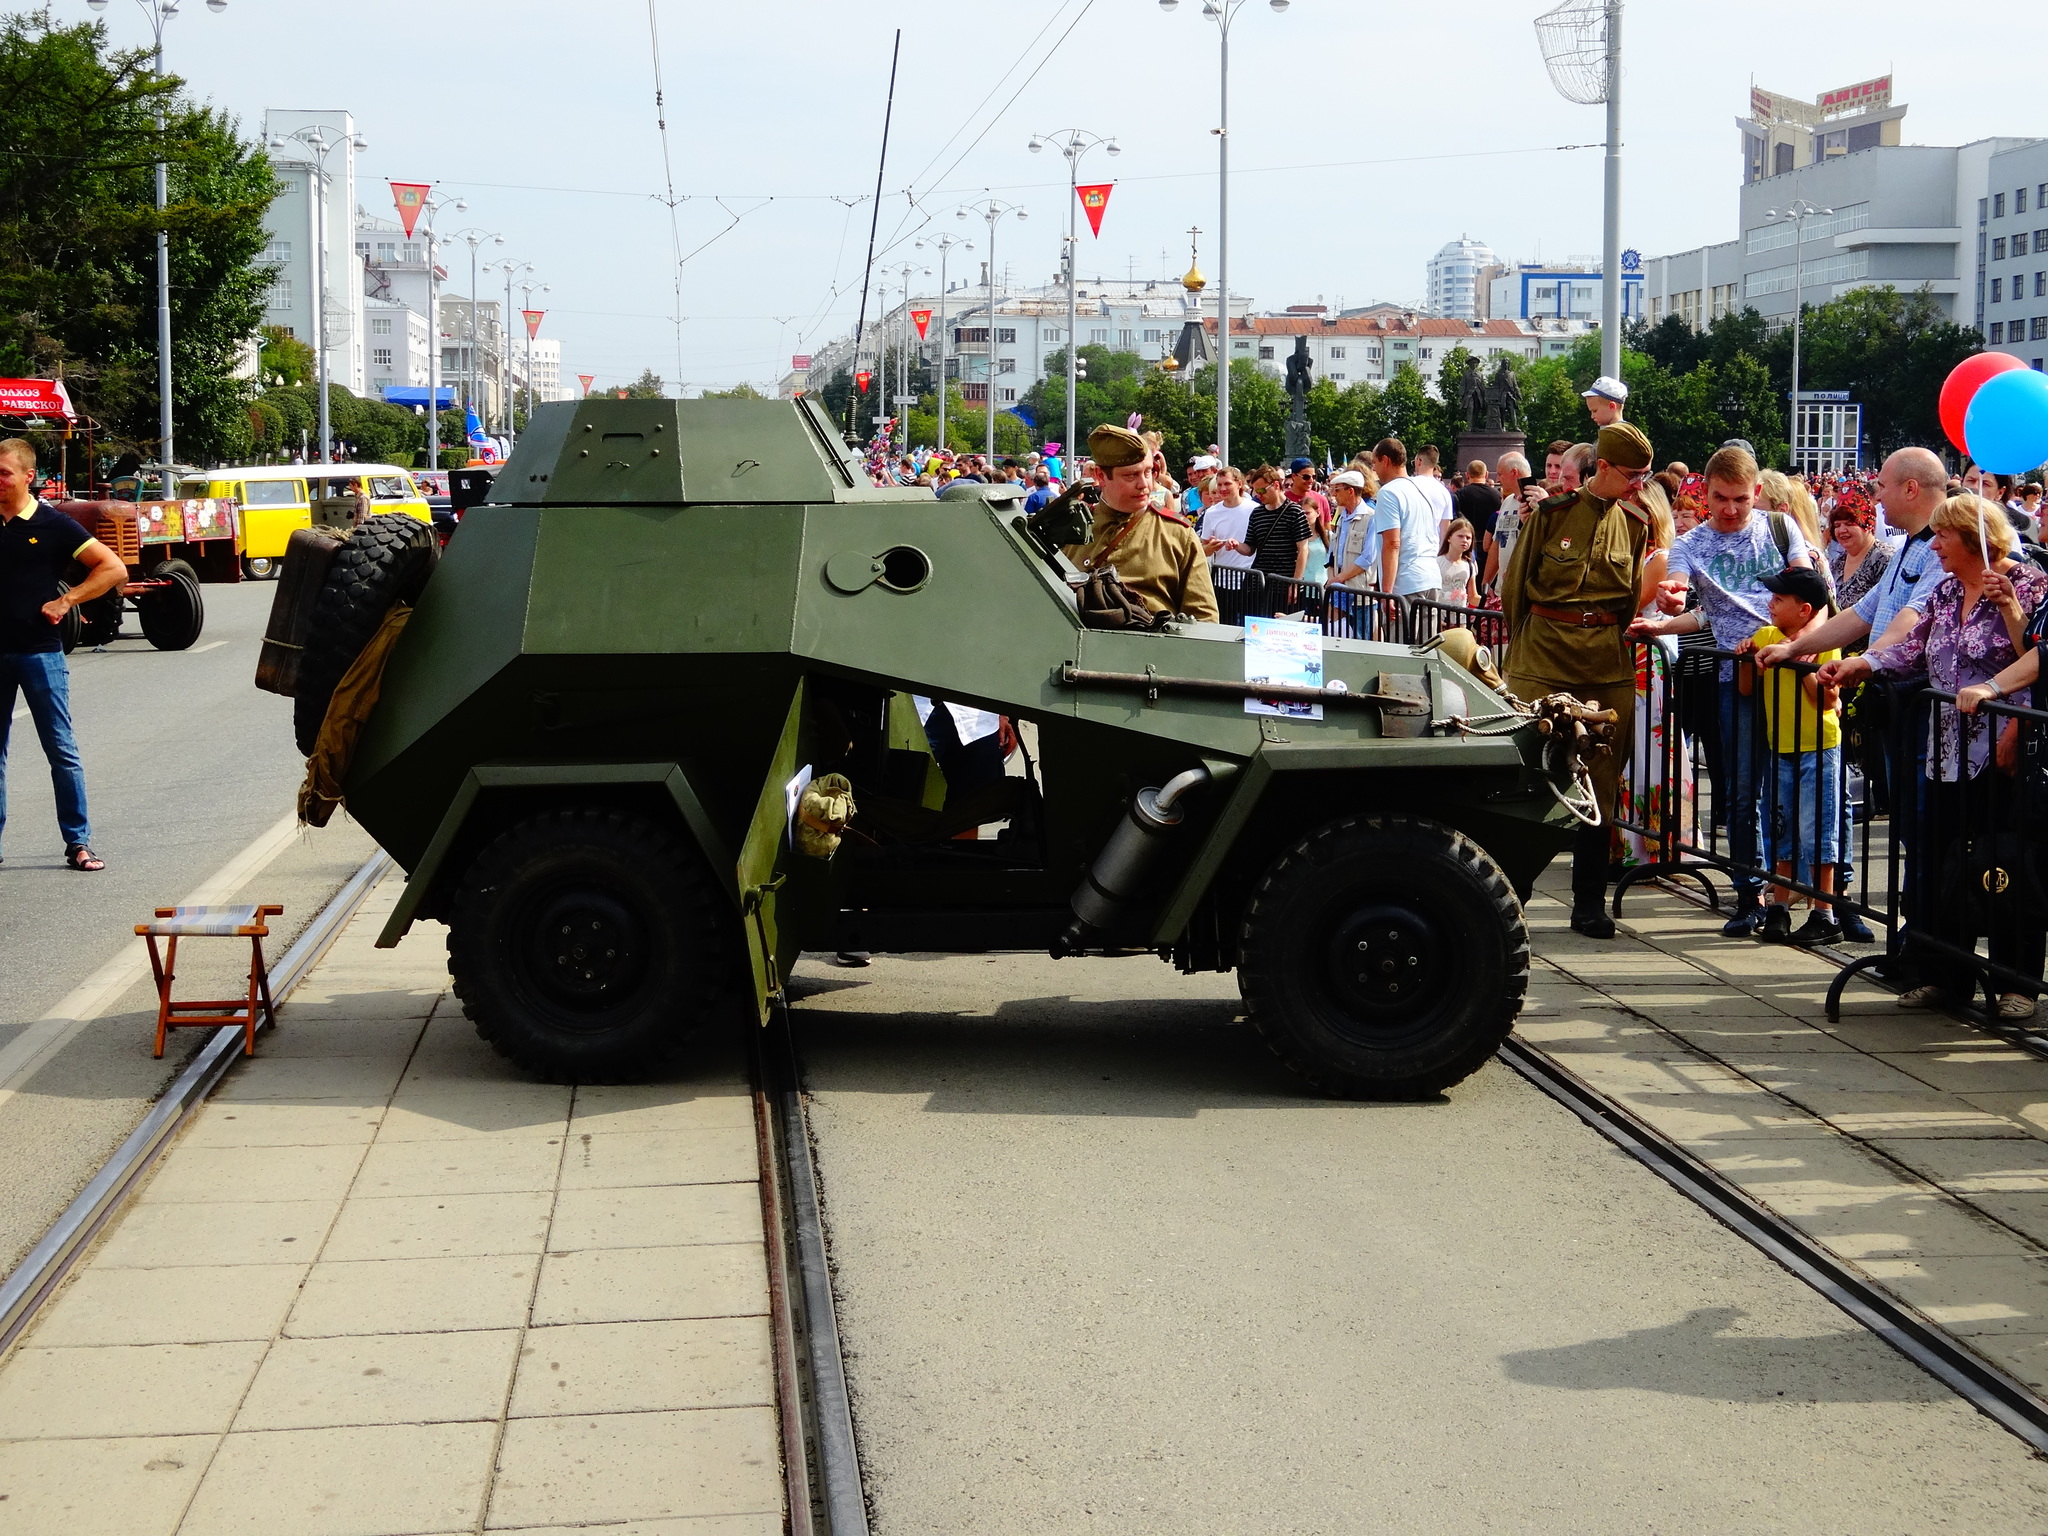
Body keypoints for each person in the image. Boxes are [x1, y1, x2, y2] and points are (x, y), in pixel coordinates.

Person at [1822, 495, 2048, 1017]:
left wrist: (2011, 608)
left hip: (2003, 746)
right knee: (1947, 861)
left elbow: (2034, 660)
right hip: (1945, 749)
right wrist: (1866, 665)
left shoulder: (2029, 582)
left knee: (2007, 863)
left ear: (1974, 538)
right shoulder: (1946, 590)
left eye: (1943, 536)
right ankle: (1948, 975)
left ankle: (2017, 983)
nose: (1936, 546)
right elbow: (1912, 649)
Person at [1631, 444, 1817, 936]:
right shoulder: (1692, 545)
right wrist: (1667, 610)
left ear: (1757, 492)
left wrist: (1798, 641)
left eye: (1740, 499)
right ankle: (1748, 892)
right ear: (1705, 494)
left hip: (1793, 676)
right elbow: (1687, 600)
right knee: (1738, 792)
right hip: (1736, 679)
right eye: (1720, 499)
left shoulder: (1780, 528)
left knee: (1800, 786)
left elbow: (1810, 589)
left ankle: (1815, 897)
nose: (1730, 509)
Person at [1500, 422, 1659, 937]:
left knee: (1601, 783)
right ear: (1604, 468)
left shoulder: (1635, 523)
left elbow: (1630, 598)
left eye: (1646, 475)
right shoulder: (1551, 515)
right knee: (1524, 773)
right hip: (1543, 655)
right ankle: (1510, 895)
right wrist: (1523, 653)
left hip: (1604, 665)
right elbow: (1515, 590)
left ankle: (1588, 903)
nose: (1640, 485)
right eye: (1633, 475)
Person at [0, 438, 125, 871]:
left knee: (61, 750)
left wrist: (67, 600)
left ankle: (78, 842)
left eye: (4, 473)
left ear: (28, 476)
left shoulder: (53, 524)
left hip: (39, 653)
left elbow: (113, 568)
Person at [1735, 567, 1844, 945]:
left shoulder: (1826, 642)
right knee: (1781, 828)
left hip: (1818, 746)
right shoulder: (1766, 635)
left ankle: (1824, 911)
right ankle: (1779, 906)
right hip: (1780, 747)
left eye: (1780, 600)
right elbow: (1748, 689)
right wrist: (1748, 658)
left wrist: (1801, 665)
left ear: (1804, 609)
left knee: (1818, 832)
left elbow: (1829, 701)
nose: (1771, 604)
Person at [1059, 423, 1217, 623]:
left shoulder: (1177, 534)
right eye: (1131, 475)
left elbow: (1205, 619)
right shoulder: (1069, 529)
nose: (1145, 484)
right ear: (1100, 476)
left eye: (1148, 472)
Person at [1369, 438, 1443, 599]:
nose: (1374, 469)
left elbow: (1392, 543)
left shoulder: (1388, 492)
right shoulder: (1421, 489)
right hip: (1431, 578)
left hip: (1406, 584)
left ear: (1385, 460)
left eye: (1375, 462)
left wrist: (1387, 592)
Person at [1484, 451, 1538, 594]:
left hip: (1524, 592)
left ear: (1514, 472)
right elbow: (1498, 542)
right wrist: (1486, 582)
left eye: (1500, 474)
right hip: (1503, 590)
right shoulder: (1507, 502)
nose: (1498, 479)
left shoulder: (1538, 502)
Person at [1328, 468, 1379, 592]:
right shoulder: (1342, 517)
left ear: (1350, 491)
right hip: (1339, 590)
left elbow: (1367, 558)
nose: (1334, 494)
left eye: (1337, 490)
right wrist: (1333, 579)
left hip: (1361, 592)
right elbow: (1332, 554)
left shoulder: (1371, 517)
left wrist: (1338, 578)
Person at [1196, 467, 1257, 571]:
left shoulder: (1255, 509)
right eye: (1219, 485)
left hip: (1250, 576)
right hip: (1222, 576)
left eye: (1227, 484)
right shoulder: (1211, 513)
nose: (1223, 489)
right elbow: (1204, 550)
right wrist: (1211, 547)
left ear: (1239, 484)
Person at [1454, 459, 1501, 561]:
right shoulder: (1497, 496)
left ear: (1467, 475)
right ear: (1487, 474)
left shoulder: (1459, 495)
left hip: (1465, 546)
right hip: (1490, 547)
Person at [1433, 519, 1479, 608]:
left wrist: (1492, 604)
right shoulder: (1437, 562)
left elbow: (1473, 596)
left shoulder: (1469, 566)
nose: (1465, 540)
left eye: (1468, 538)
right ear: (1449, 538)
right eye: (1460, 536)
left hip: (1460, 618)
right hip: (1440, 617)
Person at [1411, 444, 1456, 533]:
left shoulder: (1407, 485)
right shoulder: (1444, 492)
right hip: (1434, 545)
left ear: (1419, 461)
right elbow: (1445, 529)